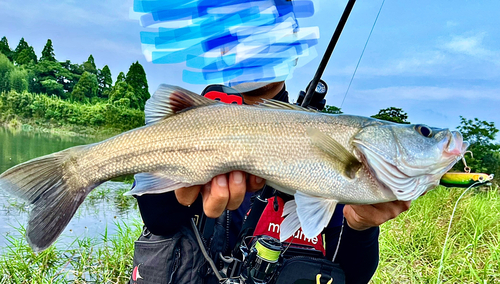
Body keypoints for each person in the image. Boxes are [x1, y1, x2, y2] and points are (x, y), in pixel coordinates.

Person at [129, 81, 411, 284]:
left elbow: (349, 277)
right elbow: (157, 220)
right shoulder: (197, 113)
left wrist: (360, 227)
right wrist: (184, 192)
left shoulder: (326, 134)